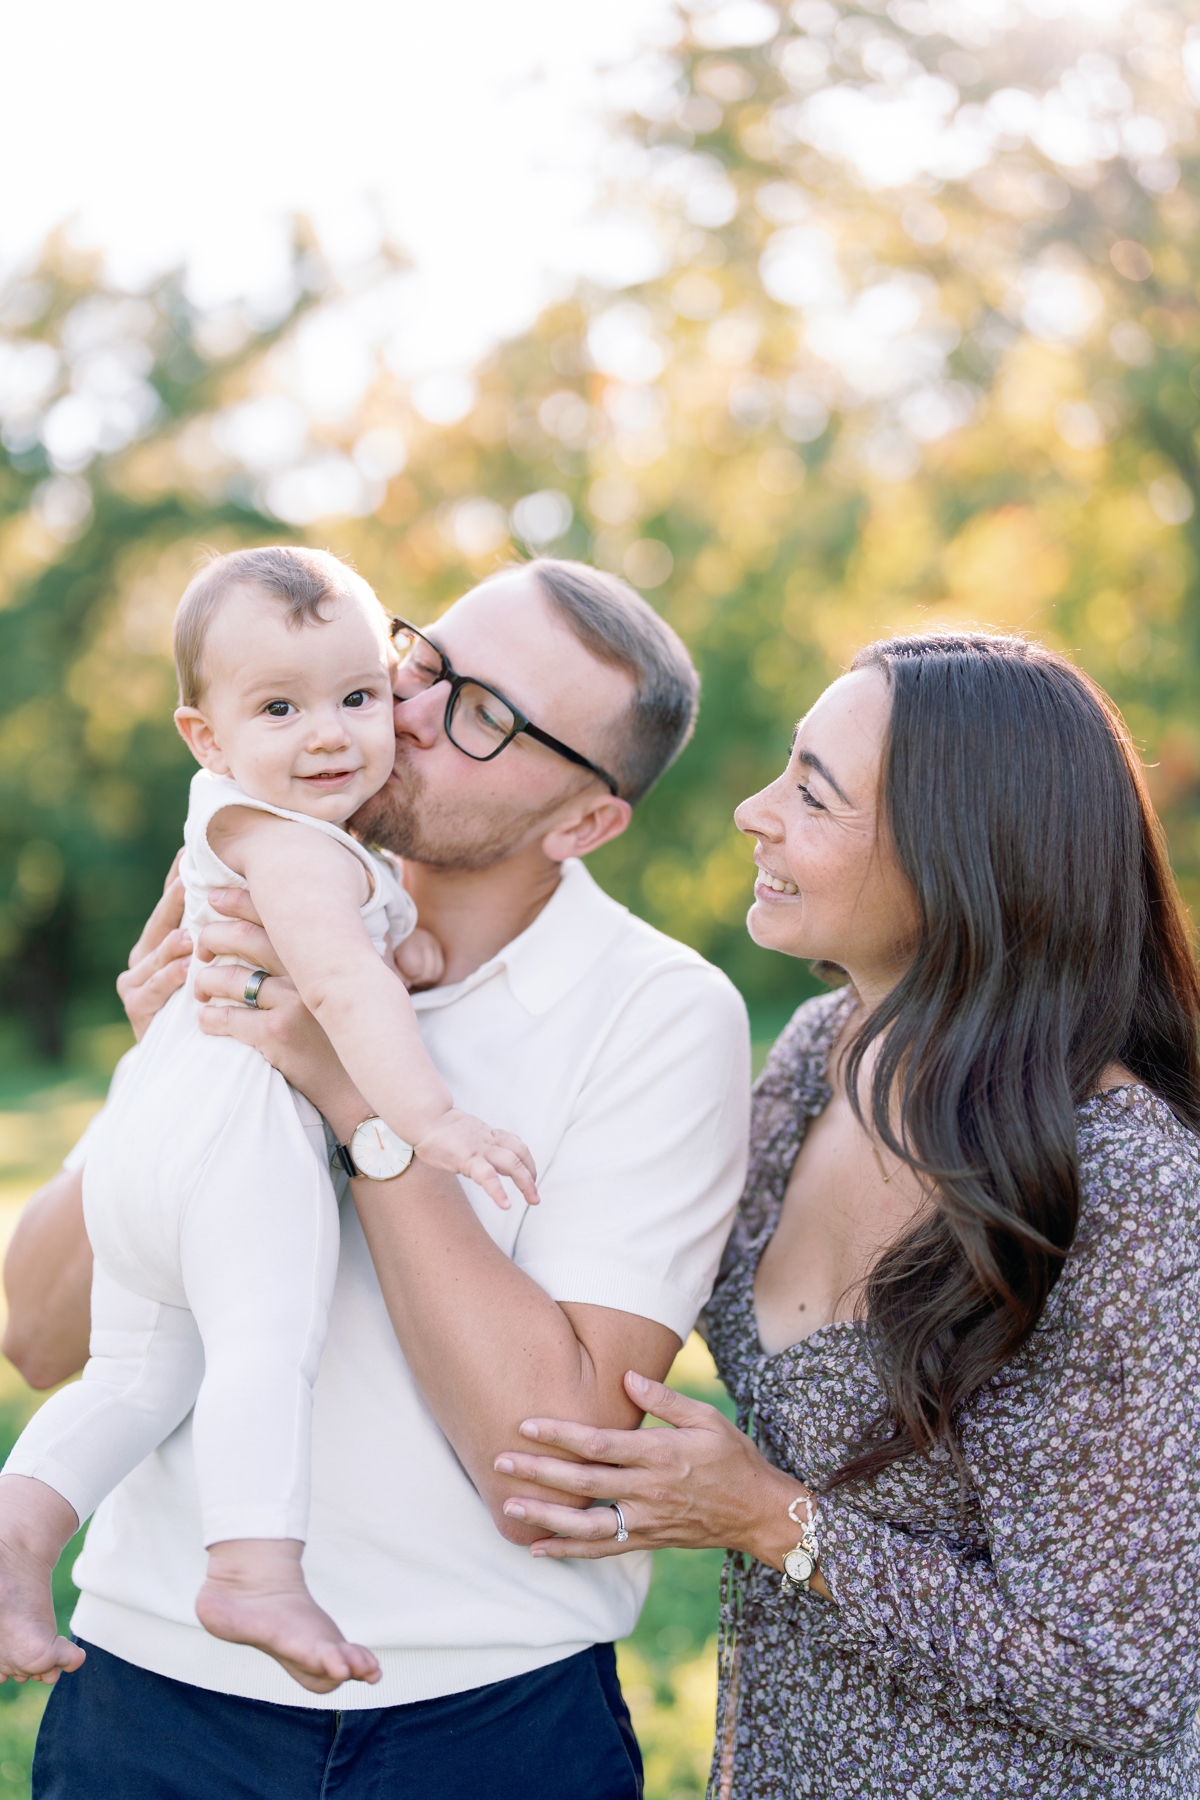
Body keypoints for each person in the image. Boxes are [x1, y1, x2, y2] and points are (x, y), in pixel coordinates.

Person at [3, 558, 751, 1800]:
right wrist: (174, 1073)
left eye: (483, 713)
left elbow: (541, 1463)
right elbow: (37, 1336)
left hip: (482, 1722)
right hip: (149, 1694)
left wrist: (350, 1094)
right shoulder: (256, 892)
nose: (404, 710)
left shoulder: (662, 1012)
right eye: (424, 659)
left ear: (583, 821)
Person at [492, 633, 1200, 1799]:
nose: (752, 812)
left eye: (813, 794)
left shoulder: (1127, 1186)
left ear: (963, 857)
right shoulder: (829, 1052)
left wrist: (773, 1519)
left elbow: (1116, 1678)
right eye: (787, 766)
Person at [0, 546, 541, 1695]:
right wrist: (430, 1119)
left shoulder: (264, 827)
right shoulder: (292, 843)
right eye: (281, 708)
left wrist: (406, 932)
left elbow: (375, 935)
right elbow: (344, 987)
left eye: (357, 698)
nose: (332, 734)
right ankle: (252, 1570)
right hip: (237, 1139)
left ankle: (13, 1541)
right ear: (206, 737)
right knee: (261, 1340)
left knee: (133, 1380)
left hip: (146, 1135)